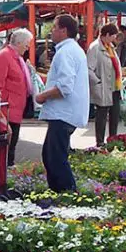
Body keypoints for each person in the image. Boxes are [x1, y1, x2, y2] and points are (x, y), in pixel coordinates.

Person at [35, 14, 90, 192]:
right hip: (67, 113)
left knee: (55, 157)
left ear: (64, 30)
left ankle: (67, 193)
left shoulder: (65, 52)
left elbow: (64, 87)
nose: (51, 31)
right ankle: (61, 192)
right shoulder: (73, 49)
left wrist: (42, 96)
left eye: (54, 27)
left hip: (63, 114)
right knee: (51, 155)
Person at [0, 28, 33, 166]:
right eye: (27, 44)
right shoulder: (4, 56)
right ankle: (5, 174)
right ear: (19, 43)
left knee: (12, 144)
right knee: (7, 145)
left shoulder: (17, 57)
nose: (27, 48)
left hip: (15, 108)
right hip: (7, 109)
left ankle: (8, 172)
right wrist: (0, 111)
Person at [87, 23, 122, 146]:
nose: (114, 39)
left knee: (115, 114)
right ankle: (100, 142)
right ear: (106, 35)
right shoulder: (95, 48)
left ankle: (113, 140)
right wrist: (97, 82)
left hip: (114, 87)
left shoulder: (110, 47)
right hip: (103, 86)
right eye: (113, 36)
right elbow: (88, 69)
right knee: (101, 114)